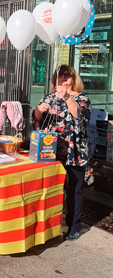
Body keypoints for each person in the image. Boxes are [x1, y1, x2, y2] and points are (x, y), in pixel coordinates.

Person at [33, 65, 92, 241]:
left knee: (74, 190)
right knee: (50, 188)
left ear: (74, 79)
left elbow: (80, 117)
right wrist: (38, 110)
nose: (63, 78)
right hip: (49, 150)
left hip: (75, 151)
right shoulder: (49, 97)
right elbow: (36, 119)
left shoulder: (82, 98)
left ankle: (74, 226)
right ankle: (50, 224)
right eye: (59, 75)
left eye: (67, 76)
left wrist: (67, 97)